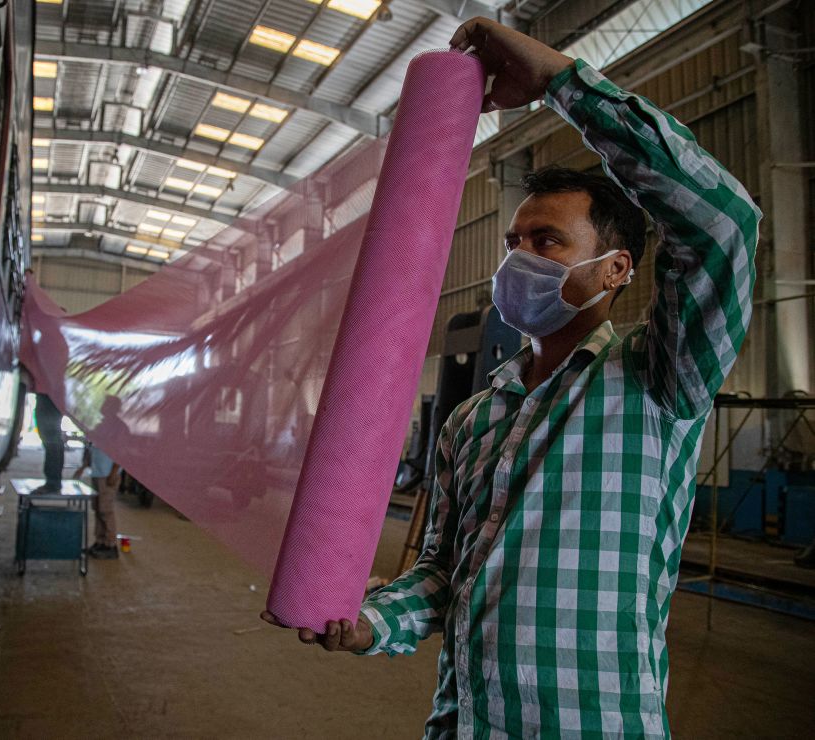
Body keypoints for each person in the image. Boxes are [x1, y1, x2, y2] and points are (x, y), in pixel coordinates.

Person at [262, 17, 759, 739]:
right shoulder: (474, 420)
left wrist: (563, 85)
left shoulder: (658, 383)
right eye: (514, 242)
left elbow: (724, 228)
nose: (518, 258)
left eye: (548, 241)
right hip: (463, 723)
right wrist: (370, 622)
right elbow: (442, 573)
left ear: (615, 270)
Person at [75, 396, 130, 559]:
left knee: (106, 509)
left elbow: (121, 452)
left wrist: (114, 472)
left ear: (114, 408)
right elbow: (92, 446)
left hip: (108, 474)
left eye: (106, 405)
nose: (102, 407)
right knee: (98, 508)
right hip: (98, 472)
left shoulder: (120, 428)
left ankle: (110, 545)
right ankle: (100, 541)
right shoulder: (101, 426)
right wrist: (84, 466)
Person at [31, 392, 65, 494]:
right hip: (47, 395)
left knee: (52, 440)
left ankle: (53, 482)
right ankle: (53, 481)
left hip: (50, 395)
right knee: (51, 440)